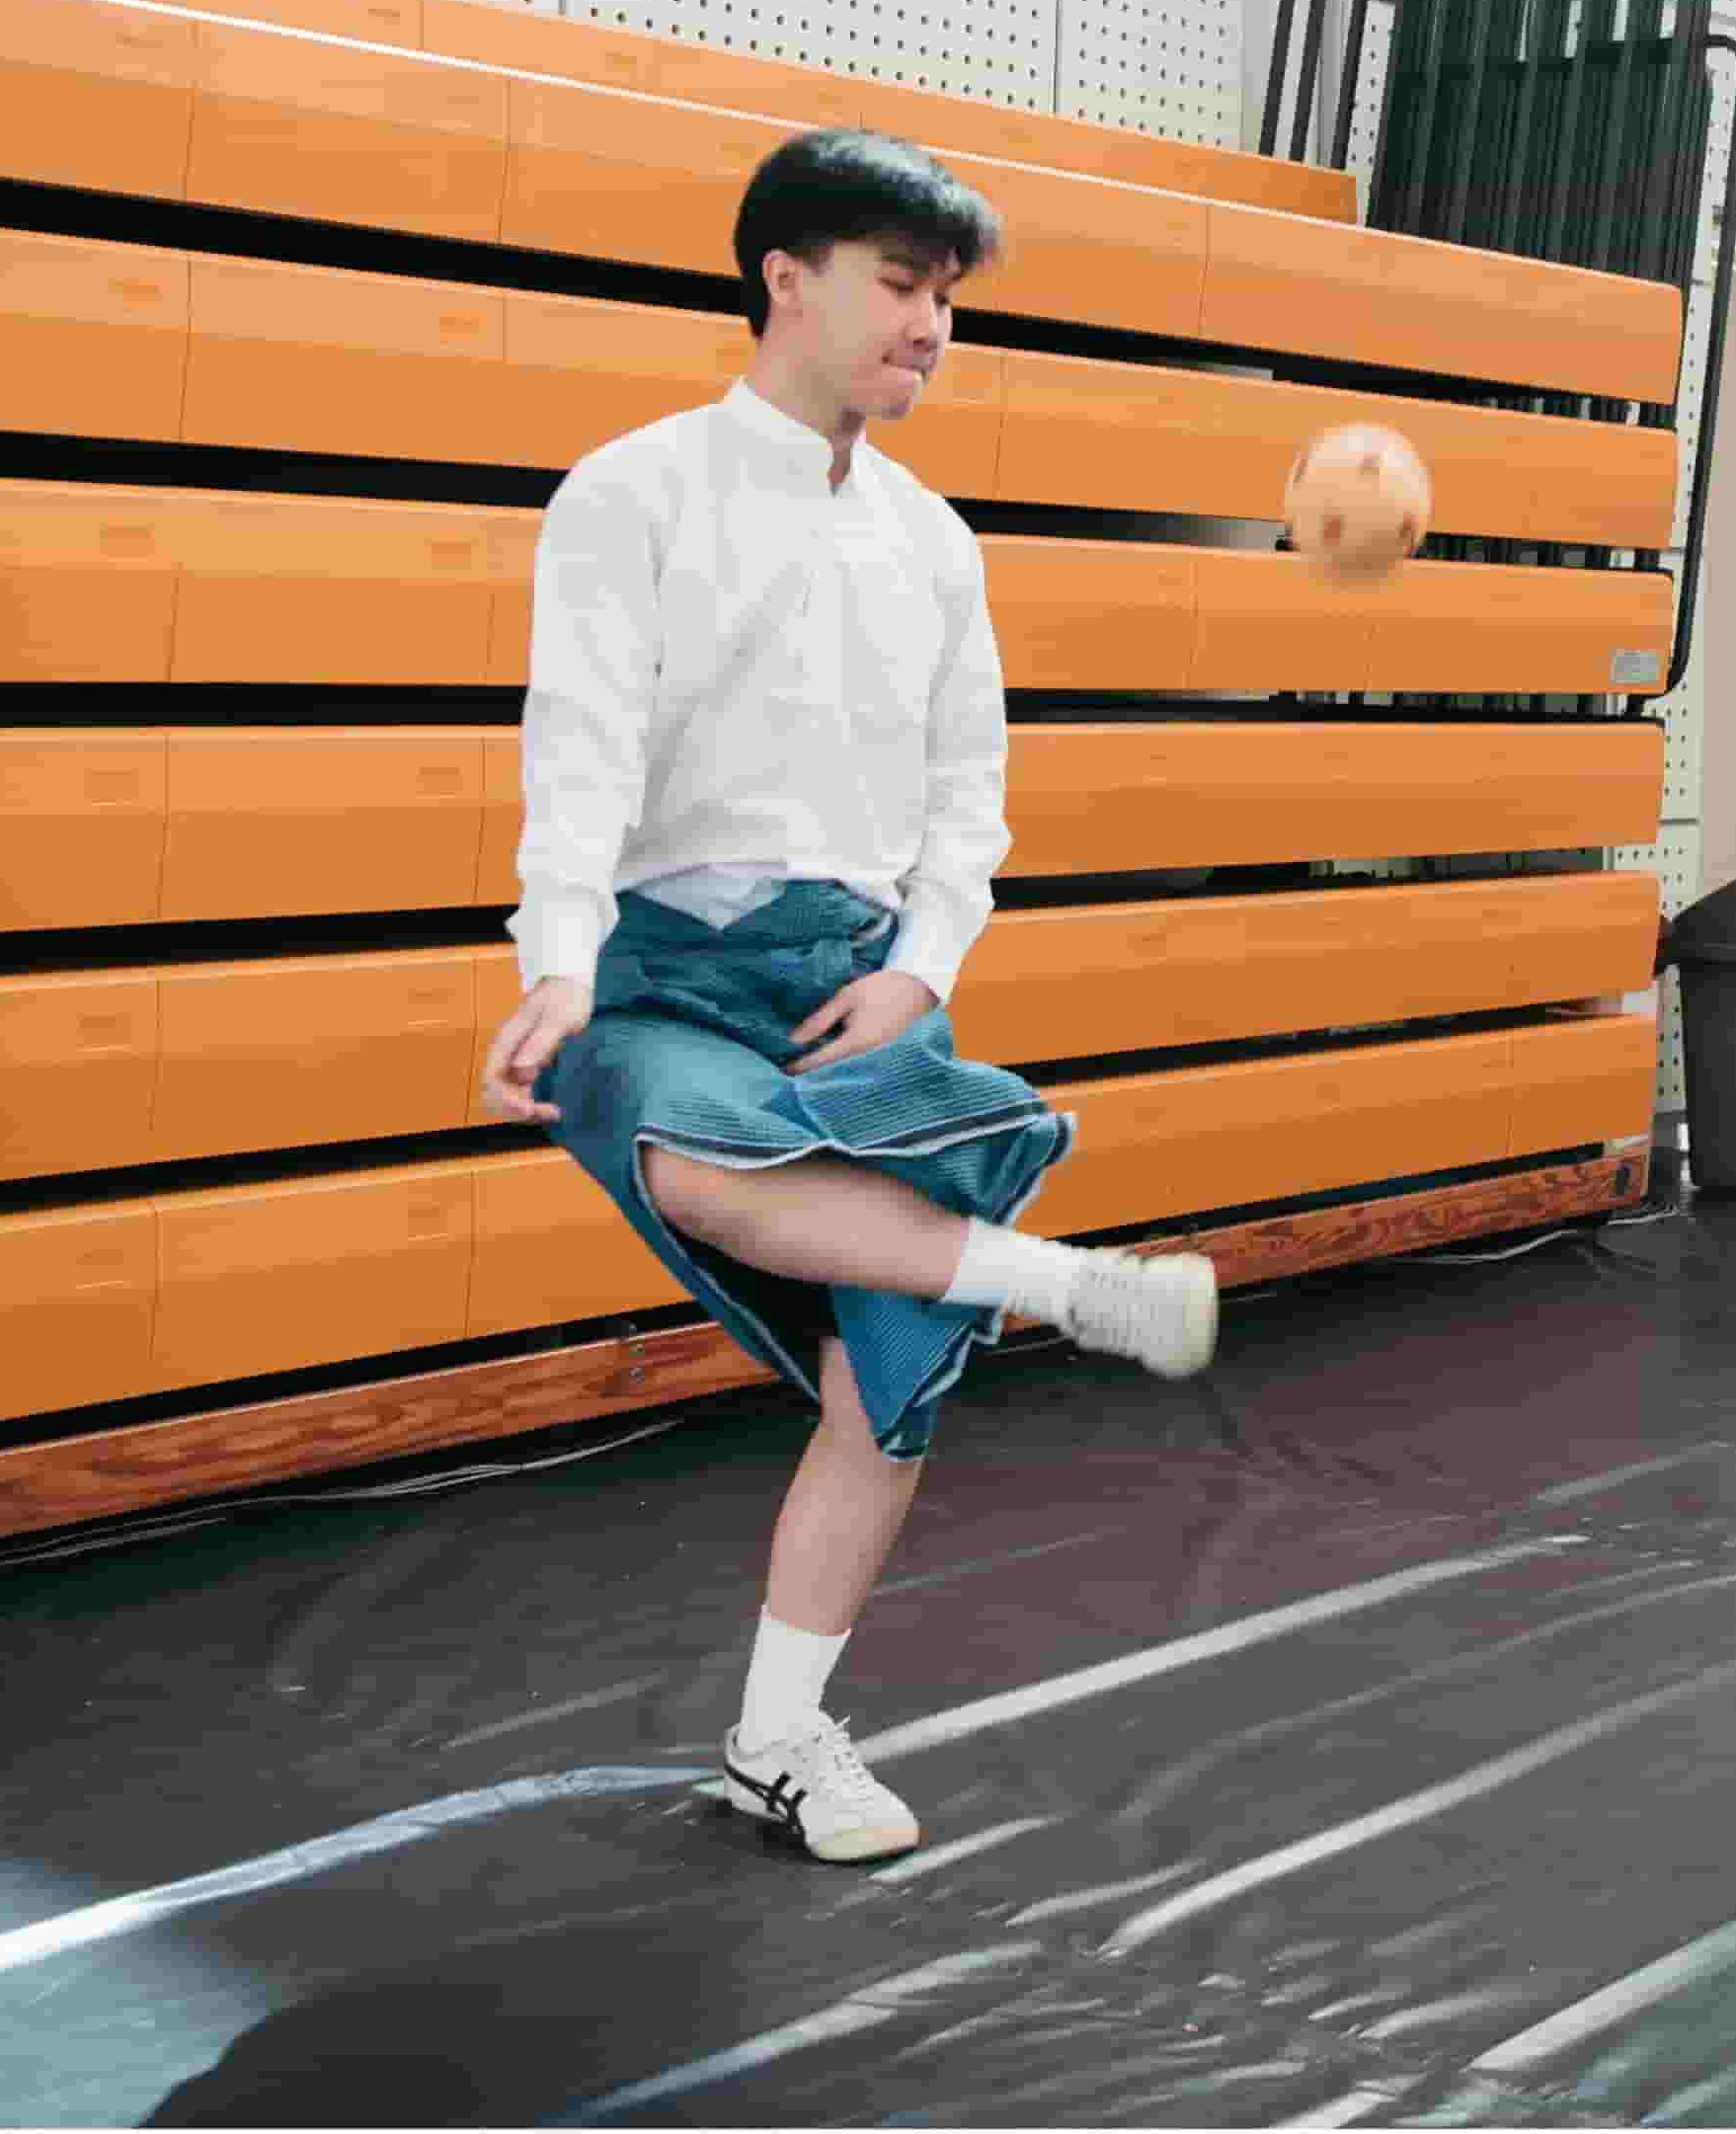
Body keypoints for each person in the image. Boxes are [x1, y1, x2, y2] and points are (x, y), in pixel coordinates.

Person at [474, 127, 1219, 1868]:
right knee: (690, 1150)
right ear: (784, 279)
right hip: (656, 963)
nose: (931, 326)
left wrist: (917, 973)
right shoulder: (630, 491)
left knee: (886, 1380)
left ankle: (783, 1739)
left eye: (948, 297)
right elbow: (577, 748)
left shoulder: (937, 542)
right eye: (902, 284)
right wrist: (557, 963)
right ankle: (1069, 1288)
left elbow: (974, 798)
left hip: (855, 984)